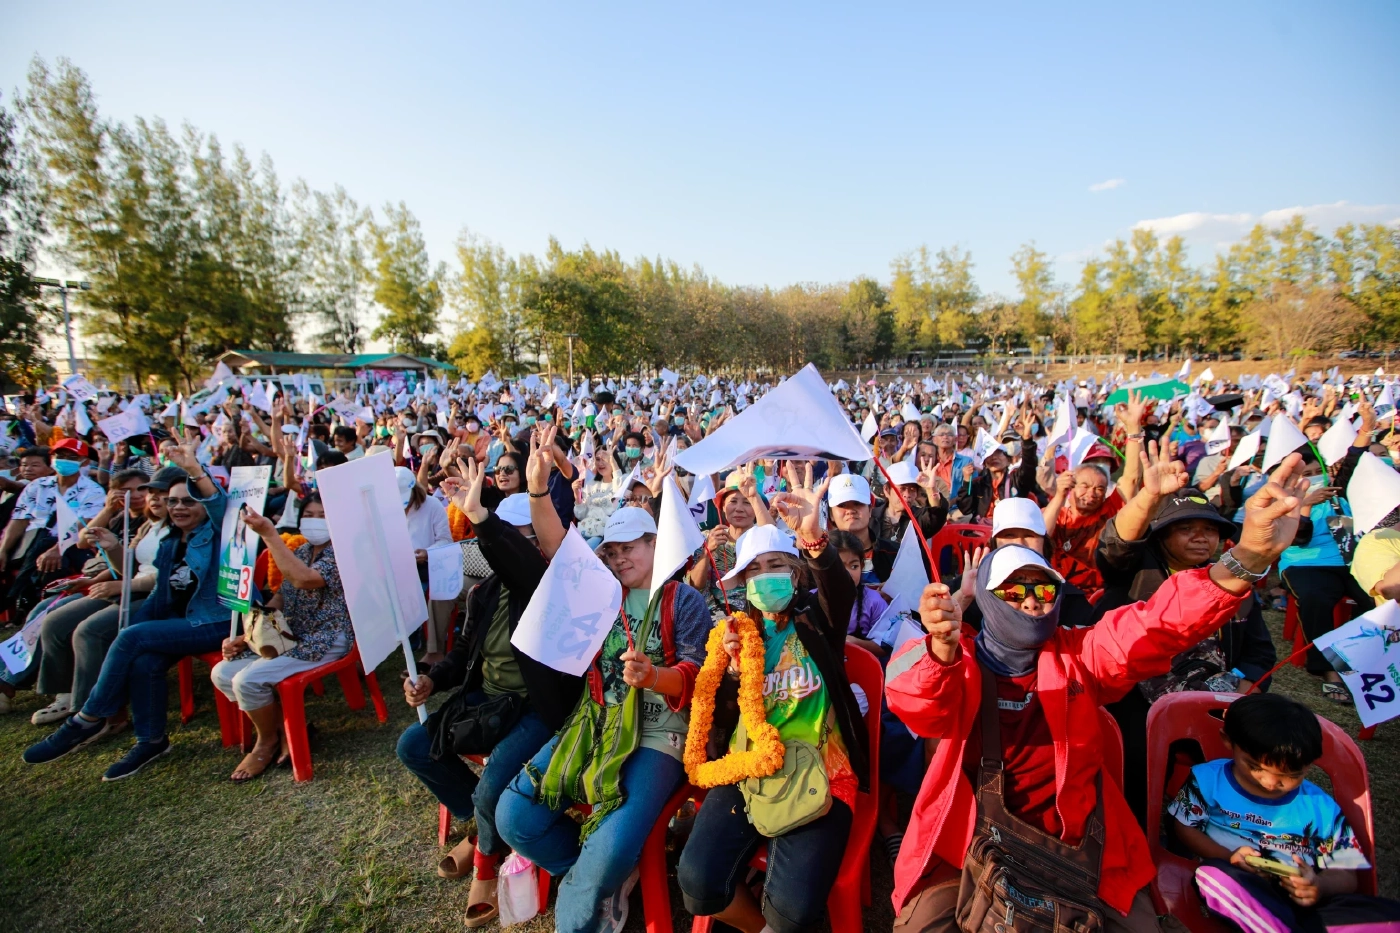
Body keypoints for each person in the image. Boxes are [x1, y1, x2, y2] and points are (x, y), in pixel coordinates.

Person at [883, 453, 1311, 932]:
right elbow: (917, 704)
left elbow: (1158, 625)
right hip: (967, 846)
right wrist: (940, 649)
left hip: (1083, 851)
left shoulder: (1079, 654)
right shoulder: (956, 660)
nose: (1030, 600)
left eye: (1042, 588)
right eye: (1012, 589)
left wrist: (1249, 555)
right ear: (984, 597)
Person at [497, 435, 709, 933]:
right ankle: (597, 876)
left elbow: (697, 681)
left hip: (660, 737)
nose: (617, 561)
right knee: (514, 816)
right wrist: (537, 491)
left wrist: (654, 675)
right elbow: (555, 547)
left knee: (607, 848)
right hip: (596, 720)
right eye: (610, 553)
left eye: (628, 549)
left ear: (655, 544)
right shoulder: (601, 591)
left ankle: (595, 884)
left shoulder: (685, 600)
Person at [678, 486, 870, 933]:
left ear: (797, 574)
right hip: (750, 767)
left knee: (793, 912)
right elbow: (723, 719)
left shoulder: (815, 621)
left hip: (824, 769)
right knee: (697, 884)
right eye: (754, 571)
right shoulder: (737, 635)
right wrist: (728, 673)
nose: (766, 577)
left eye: (777, 565)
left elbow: (837, 593)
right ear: (743, 583)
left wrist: (815, 540)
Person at [398, 456, 573, 927]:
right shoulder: (485, 593)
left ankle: (485, 862)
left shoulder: (547, 586)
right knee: (414, 746)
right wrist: (434, 679)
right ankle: (482, 828)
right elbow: (462, 656)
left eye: (519, 536)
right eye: (502, 535)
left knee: (493, 785)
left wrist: (482, 518)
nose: (506, 546)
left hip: (536, 709)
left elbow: (519, 559)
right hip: (486, 699)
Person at [22, 439, 229, 780]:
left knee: (132, 638)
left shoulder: (217, 531)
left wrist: (193, 468)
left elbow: (217, 503)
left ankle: (86, 719)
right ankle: (151, 741)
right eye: (173, 501)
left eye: (188, 501)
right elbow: (158, 598)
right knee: (142, 658)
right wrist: (135, 628)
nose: (179, 508)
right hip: (181, 622)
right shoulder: (169, 543)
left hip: (217, 620)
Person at [1094, 444, 1277, 825]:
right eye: (1187, 528)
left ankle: (1221, 827)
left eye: (1210, 530)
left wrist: (1240, 684)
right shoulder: (1134, 573)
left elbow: (1260, 654)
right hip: (1135, 698)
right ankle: (1135, 826)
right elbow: (1114, 547)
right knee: (1134, 757)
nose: (1201, 538)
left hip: (1213, 695)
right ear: (1161, 537)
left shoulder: (1234, 586)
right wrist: (1147, 496)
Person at [1170, 692, 1400, 932]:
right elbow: (1184, 826)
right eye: (1255, 767)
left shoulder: (1320, 807)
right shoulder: (1208, 780)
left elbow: (1347, 873)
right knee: (1215, 878)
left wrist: (1318, 885)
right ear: (1228, 741)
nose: (1270, 783)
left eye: (1291, 776)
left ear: (1309, 765)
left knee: (1390, 918)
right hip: (1241, 883)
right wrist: (1228, 857)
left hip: (1309, 903)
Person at [210, 493, 354, 782]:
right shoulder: (301, 551)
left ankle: (265, 743)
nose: (314, 521)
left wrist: (269, 535)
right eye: (309, 515)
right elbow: (282, 595)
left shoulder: (344, 551)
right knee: (223, 673)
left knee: (247, 681)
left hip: (326, 638)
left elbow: (305, 579)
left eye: (322, 515)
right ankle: (283, 730)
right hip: (290, 634)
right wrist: (247, 635)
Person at [29, 466, 180, 726]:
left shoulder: (185, 530)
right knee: (55, 621)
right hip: (128, 589)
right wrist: (112, 547)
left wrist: (124, 586)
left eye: (163, 493)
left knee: (90, 631)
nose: (154, 498)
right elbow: (127, 568)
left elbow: (172, 576)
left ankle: (97, 712)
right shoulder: (148, 527)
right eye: (151, 492)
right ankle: (66, 694)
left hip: (156, 597)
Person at [398, 466, 454, 664]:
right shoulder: (384, 509)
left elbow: (446, 541)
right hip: (395, 569)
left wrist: (426, 553)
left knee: (415, 591)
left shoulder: (432, 505)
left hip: (426, 567)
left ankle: (417, 634)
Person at [1043, 463, 1122, 592]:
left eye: (1100, 489)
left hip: (1098, 594)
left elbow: (1131, 479)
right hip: (1056, 591)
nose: (1091, 493)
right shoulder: (1056, 514)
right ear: (1072, 487)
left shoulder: (1109, 513)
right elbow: (1040, 535)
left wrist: (1136, 441)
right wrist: (1060, 495)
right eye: (1085, 486)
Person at [827, 473, 897, 583]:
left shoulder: (895, 553)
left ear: (870, 510)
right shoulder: (823, 556)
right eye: (842, 505)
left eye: (857, 503)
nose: (850, 510)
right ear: (831, 515)